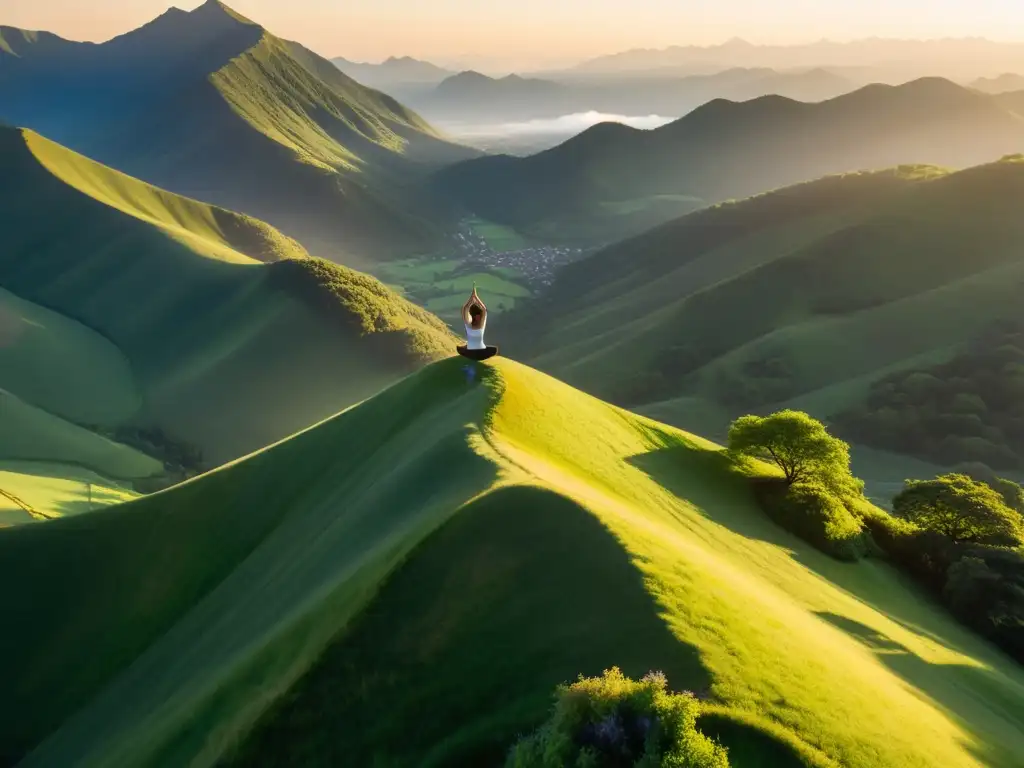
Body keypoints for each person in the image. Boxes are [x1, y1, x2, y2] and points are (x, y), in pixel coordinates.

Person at [457, 285, 499, 361]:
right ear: (476, 316)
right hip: (481, 349)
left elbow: (465, 308)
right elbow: (484, 309)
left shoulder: (469, 324)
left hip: (471, 349)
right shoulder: (480, 325)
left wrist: (472, 297)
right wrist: (475, 296)